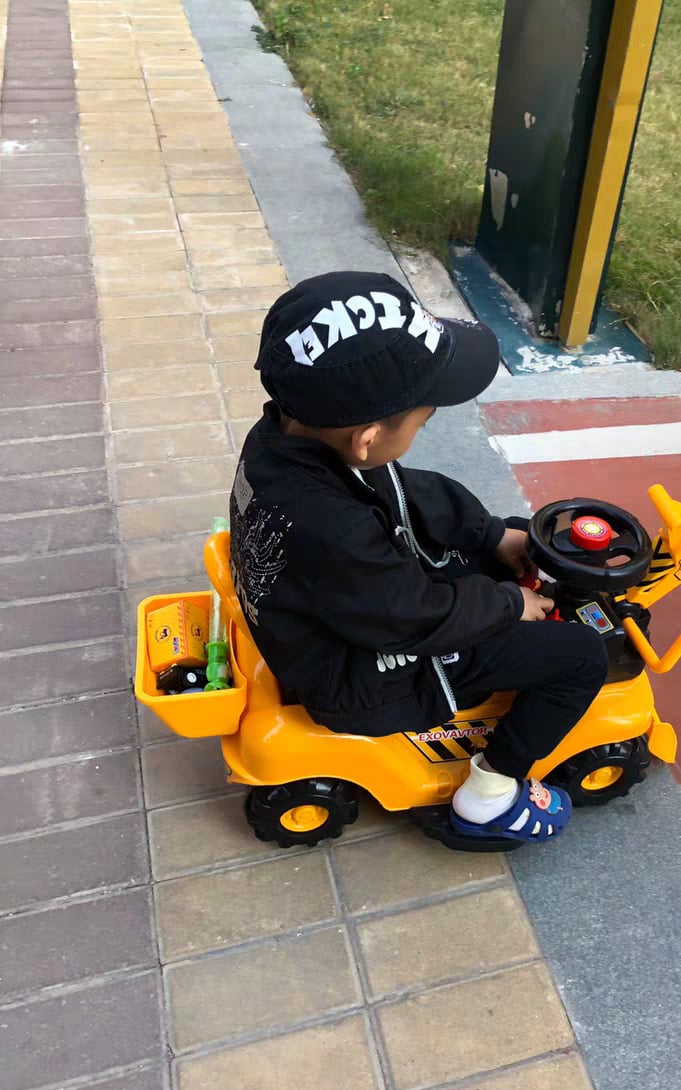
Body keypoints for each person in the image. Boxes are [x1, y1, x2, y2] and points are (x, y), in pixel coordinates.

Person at [229, 271, 608, 844]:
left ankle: (498, 578)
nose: (424, 427)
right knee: (579, 656)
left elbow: (408, 492)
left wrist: (491, 535)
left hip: (349, 607)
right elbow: (410, 618)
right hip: (364, 677)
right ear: (367, 438)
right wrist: (509, 605)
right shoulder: (331, 528)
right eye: (423, 420)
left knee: (489, 548)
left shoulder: (287, 437)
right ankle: (491, 793)